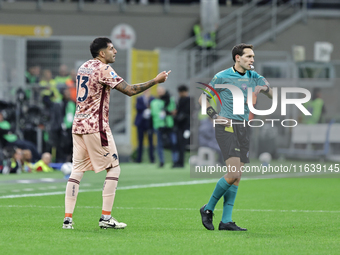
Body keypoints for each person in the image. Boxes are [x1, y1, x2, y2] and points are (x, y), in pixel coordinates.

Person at [63, 37, 170, 230]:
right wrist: (156, 80)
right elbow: (129, 90)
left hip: (78, 125)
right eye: (112, 49)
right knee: (114, 168)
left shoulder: (83, 67)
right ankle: (106, 218)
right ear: (102, 53)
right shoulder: (103, 69)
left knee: (76, 171)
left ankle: (68, 219)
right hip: (96, 126)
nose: (115, 52)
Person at [198, 43, 273, 231]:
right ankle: (207, 209)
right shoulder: (221, 76)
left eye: (253, 57)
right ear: (237, 58)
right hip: (227, 128)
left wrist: (262, 89)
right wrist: (215, 116)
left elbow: (271, 92)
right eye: (248, 56)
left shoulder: (254, 76)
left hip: (243, 128)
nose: (252, 60)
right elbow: (202, 98)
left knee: (237, 177)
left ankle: (226, 221)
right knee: (233, 174)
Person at [150, 86, 178, 168]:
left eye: (162, 91)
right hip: (158, 126)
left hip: (169, 124)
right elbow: (153, 115)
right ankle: (161, 161)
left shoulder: (170, 100)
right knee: (159, 145)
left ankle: (175, 160)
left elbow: (174, 111)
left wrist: (167, 113)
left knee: (173, 143)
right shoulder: (154, 102)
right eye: (159, 91)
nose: (160, 93)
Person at [134, 89, 155, 163]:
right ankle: (139, 159)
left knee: (151, 142)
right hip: (141, 123)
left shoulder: (152, 98)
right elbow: (137, 107)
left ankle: (152, 159)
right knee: (140, 142)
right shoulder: (139, 98)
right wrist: (145, 110)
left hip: (149, 123)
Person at [174, 85, 191, 168]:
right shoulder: (181, 100)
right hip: (180, 126)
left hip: (186, 126)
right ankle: (179, 161)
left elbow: (187, 113)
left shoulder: (189, 100)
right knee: (179, 144)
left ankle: (181, 162)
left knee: (182, 145)